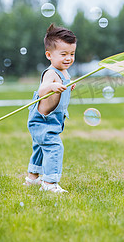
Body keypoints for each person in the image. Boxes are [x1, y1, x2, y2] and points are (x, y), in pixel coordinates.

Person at [24, 23, 77, 193]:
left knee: (40, 147)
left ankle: (32, 178)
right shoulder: (51, 73)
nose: (68, 58)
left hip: (51, 120)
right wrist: (52, 87)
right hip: (43, 121)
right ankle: (49, 183)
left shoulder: (64, 71)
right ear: (49, 55)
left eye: (72, 53)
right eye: (63, 54)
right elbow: (42, 90)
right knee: (54, 147)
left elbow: (63, 86)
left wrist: (68, 86)